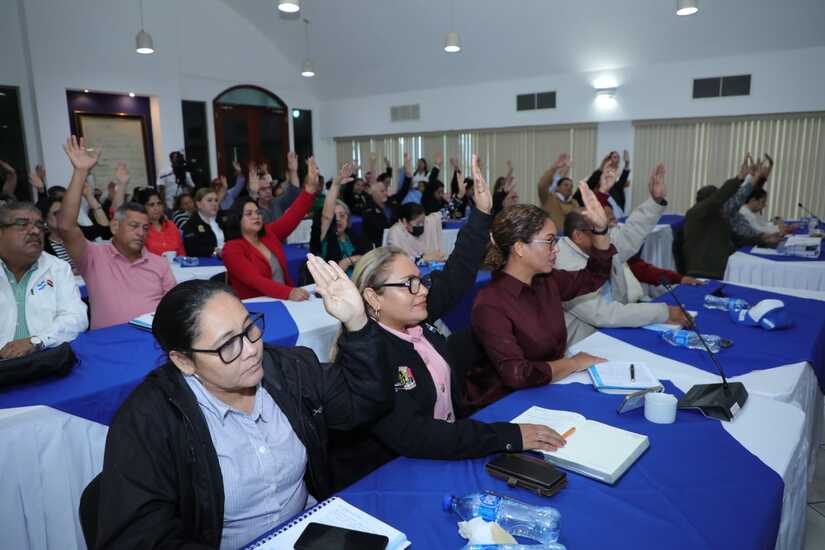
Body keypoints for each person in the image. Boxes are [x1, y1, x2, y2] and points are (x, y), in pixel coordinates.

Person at [92, 255, 395, 549]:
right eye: (227, 345)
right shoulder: (148, 419)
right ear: (184, 361)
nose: (251, 349)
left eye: (250, 328)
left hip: (312, 534)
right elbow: (139, 538)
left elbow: (367, 403)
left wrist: (357, 322)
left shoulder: (290, 369)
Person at [328, 155, 568, 490]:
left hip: (448, 448)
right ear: (372, 298)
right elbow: (418, 436)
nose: (421, 290)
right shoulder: (366, 359)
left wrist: (482, 212)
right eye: (409, 284)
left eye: (420, 280)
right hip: (392, 478)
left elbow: (456, 275)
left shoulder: (412, 316)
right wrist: (510, 436)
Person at [466, 183, 616, 409]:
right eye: (550, 241)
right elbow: (517, 374)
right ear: (519, 247)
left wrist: (600, 231)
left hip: (546, 387)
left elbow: (594, 276)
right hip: (503, 403)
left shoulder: (546, 281)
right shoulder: (490, 303)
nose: (556, 249)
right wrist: (573, 363)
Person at [555, 164, 692, 344]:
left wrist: (655, 202)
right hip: (584, 342)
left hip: (616, 329)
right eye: (597, 228)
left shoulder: (596, 243)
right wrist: (663, 312)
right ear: (578, 236)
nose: (603, 233)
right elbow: (603, 314)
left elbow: (629, 235)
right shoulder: (563, 263)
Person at [57, 136, 176, 329]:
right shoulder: (93, 257)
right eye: (133, 226)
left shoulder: (159, 264)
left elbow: (174, 309)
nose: (141, 232)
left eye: (145, 228)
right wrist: (80, 172)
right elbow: (65, 227)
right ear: (114, 227)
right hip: (108, 347)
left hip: (152, 343)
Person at [222, 157, 320, 301]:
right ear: (237, 220)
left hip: (284, 300)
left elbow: (292, 217)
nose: (256, 216)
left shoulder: (268, 233)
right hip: (258, 307)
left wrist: (310, 190)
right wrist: (288, 292)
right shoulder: (231, 249)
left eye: (257, 212)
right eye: (249, 214)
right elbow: (255, 280)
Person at [0, 200, 87, 357]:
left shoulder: (58, 267)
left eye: (40, 225)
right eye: (22, 224)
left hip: (45, 360)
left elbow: (76, 318)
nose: (34, 231)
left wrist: (37, 341)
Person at [682, 153, 780, 279]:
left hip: (723, 268)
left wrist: (762, 239)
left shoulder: (718, 217)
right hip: (703, 273)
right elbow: (730, 196)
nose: (723, 203)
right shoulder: (695, 213)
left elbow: (736, 238)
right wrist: (740, 177)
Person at [310, 162, 372, 276]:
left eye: (342, 215)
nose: (338, 219)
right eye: (334, 216)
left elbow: (369, 258)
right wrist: (336, 185)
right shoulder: (323, 237)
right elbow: (326, 216)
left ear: (348, 219)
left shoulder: (353, 236)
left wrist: (349, 261)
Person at [361, 153, 413, 248]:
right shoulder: (368, 208)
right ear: (374, 194)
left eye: (385, 190)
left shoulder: (390, 202)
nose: (385, 193)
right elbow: (378, 229)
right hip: (378, 246)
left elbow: (404, 191)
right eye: (382, 191)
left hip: (397, 242)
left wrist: (407, 172)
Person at [249, 153, 302, 223]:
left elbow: (294, 191)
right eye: (263, 189)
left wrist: (293, 171)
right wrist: (253, 192)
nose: (268, 191)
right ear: (257, 192)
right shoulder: (254, 209)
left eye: (269, 188)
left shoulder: (276, 202)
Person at [537, 153, 581, 230]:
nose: (569, 188)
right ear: (557, 187)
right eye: (566, 185)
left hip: (569, 238)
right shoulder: (548, 198)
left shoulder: (574, 203)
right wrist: (554, 167)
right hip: (550, 237)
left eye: (571, 186)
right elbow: (542, 185)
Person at [139, 189, 186, 257]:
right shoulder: (140, 229)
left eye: (159, 203)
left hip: (175, 266)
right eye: (151, 205)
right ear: (143, 207)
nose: (157, 208)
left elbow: (181, 252)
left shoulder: (171, 225)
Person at [182, 187, 225, 257]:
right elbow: (193, 250)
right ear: (199, 204)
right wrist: (216, 252)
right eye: (209, 200)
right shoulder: (192, 224)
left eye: (216, 200)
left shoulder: (221, 221)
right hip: (204, 265)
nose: (214, 204)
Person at [42, 198, 78, 273]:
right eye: (57, 213)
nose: (63, 216)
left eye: (65, 212)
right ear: (45, 219)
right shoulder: (42, 246)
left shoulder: (77, 236)